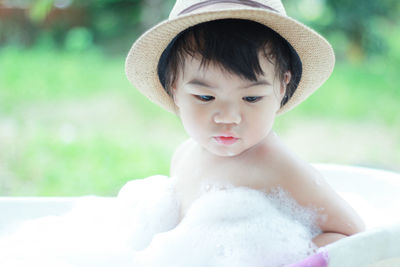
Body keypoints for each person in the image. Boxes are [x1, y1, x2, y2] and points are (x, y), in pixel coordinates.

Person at [124, 0, 366, 265]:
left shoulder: (276, 165)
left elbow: (353, 234)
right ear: (173, 87)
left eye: (251, 98)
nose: (228, 117)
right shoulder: (184, 155)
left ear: (282, 87)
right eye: (205, 96)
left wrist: (284, 257)